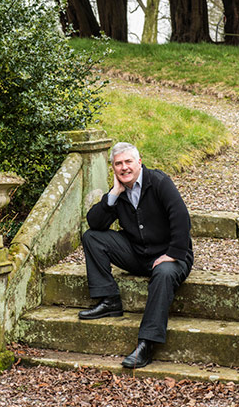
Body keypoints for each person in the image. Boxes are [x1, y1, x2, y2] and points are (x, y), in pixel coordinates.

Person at [78, 141, 193, 369]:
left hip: (169, 258)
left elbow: (181, 218)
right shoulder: (119, 191)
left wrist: (172, 254)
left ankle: (146, 344)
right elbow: (95, 223)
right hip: (137, 254)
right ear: (113, 168)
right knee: (92, 237)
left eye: (128, 162)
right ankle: (109, 300)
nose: (124, 168)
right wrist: (113, 194)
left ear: (139, 162)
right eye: (118, 164)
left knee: (163, 274)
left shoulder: (159, 182)